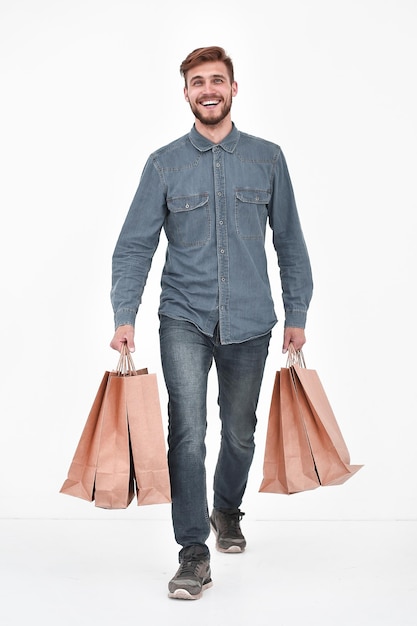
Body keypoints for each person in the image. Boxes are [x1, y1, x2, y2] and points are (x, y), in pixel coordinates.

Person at [110, 46, 313, 600]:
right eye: (197, 81)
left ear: (234, 89)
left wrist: (298, 311)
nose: (208, 89)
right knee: (187, 433)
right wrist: (123, 314)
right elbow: (134, 246)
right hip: (184, 316)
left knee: (240, 434)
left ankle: (227, 509)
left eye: (217, 80)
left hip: (252, 320)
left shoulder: (267, 159)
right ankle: (193, 550)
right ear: (186, 93)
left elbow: (291, 243)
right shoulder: (164, 164)